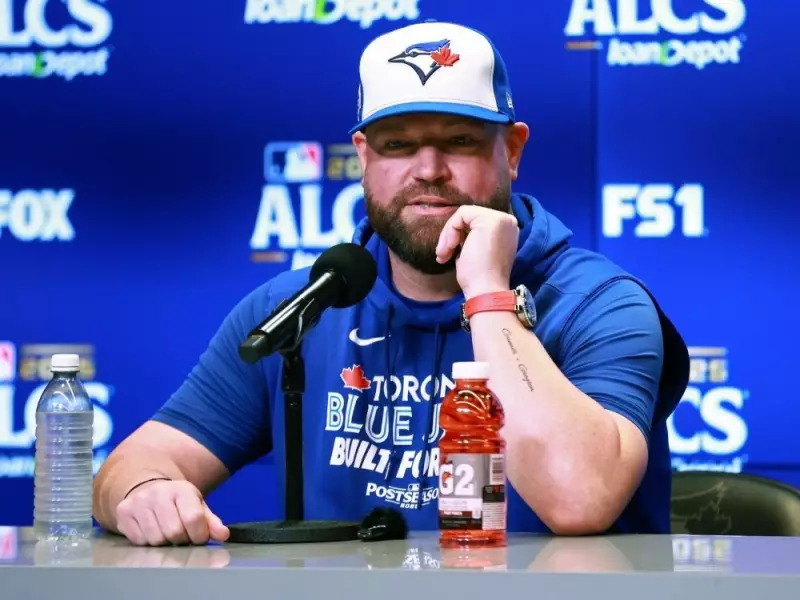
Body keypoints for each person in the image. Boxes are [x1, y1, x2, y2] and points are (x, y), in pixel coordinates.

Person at [92, 21, 689, 546]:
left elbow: (579, 499)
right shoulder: (298, 307)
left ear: (511, 150)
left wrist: (486, 295)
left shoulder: (598, 303)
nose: (428, 170)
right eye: (398, 145)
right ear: (362, 157)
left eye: (458, 141)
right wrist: (144, 492)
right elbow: (132, 466)